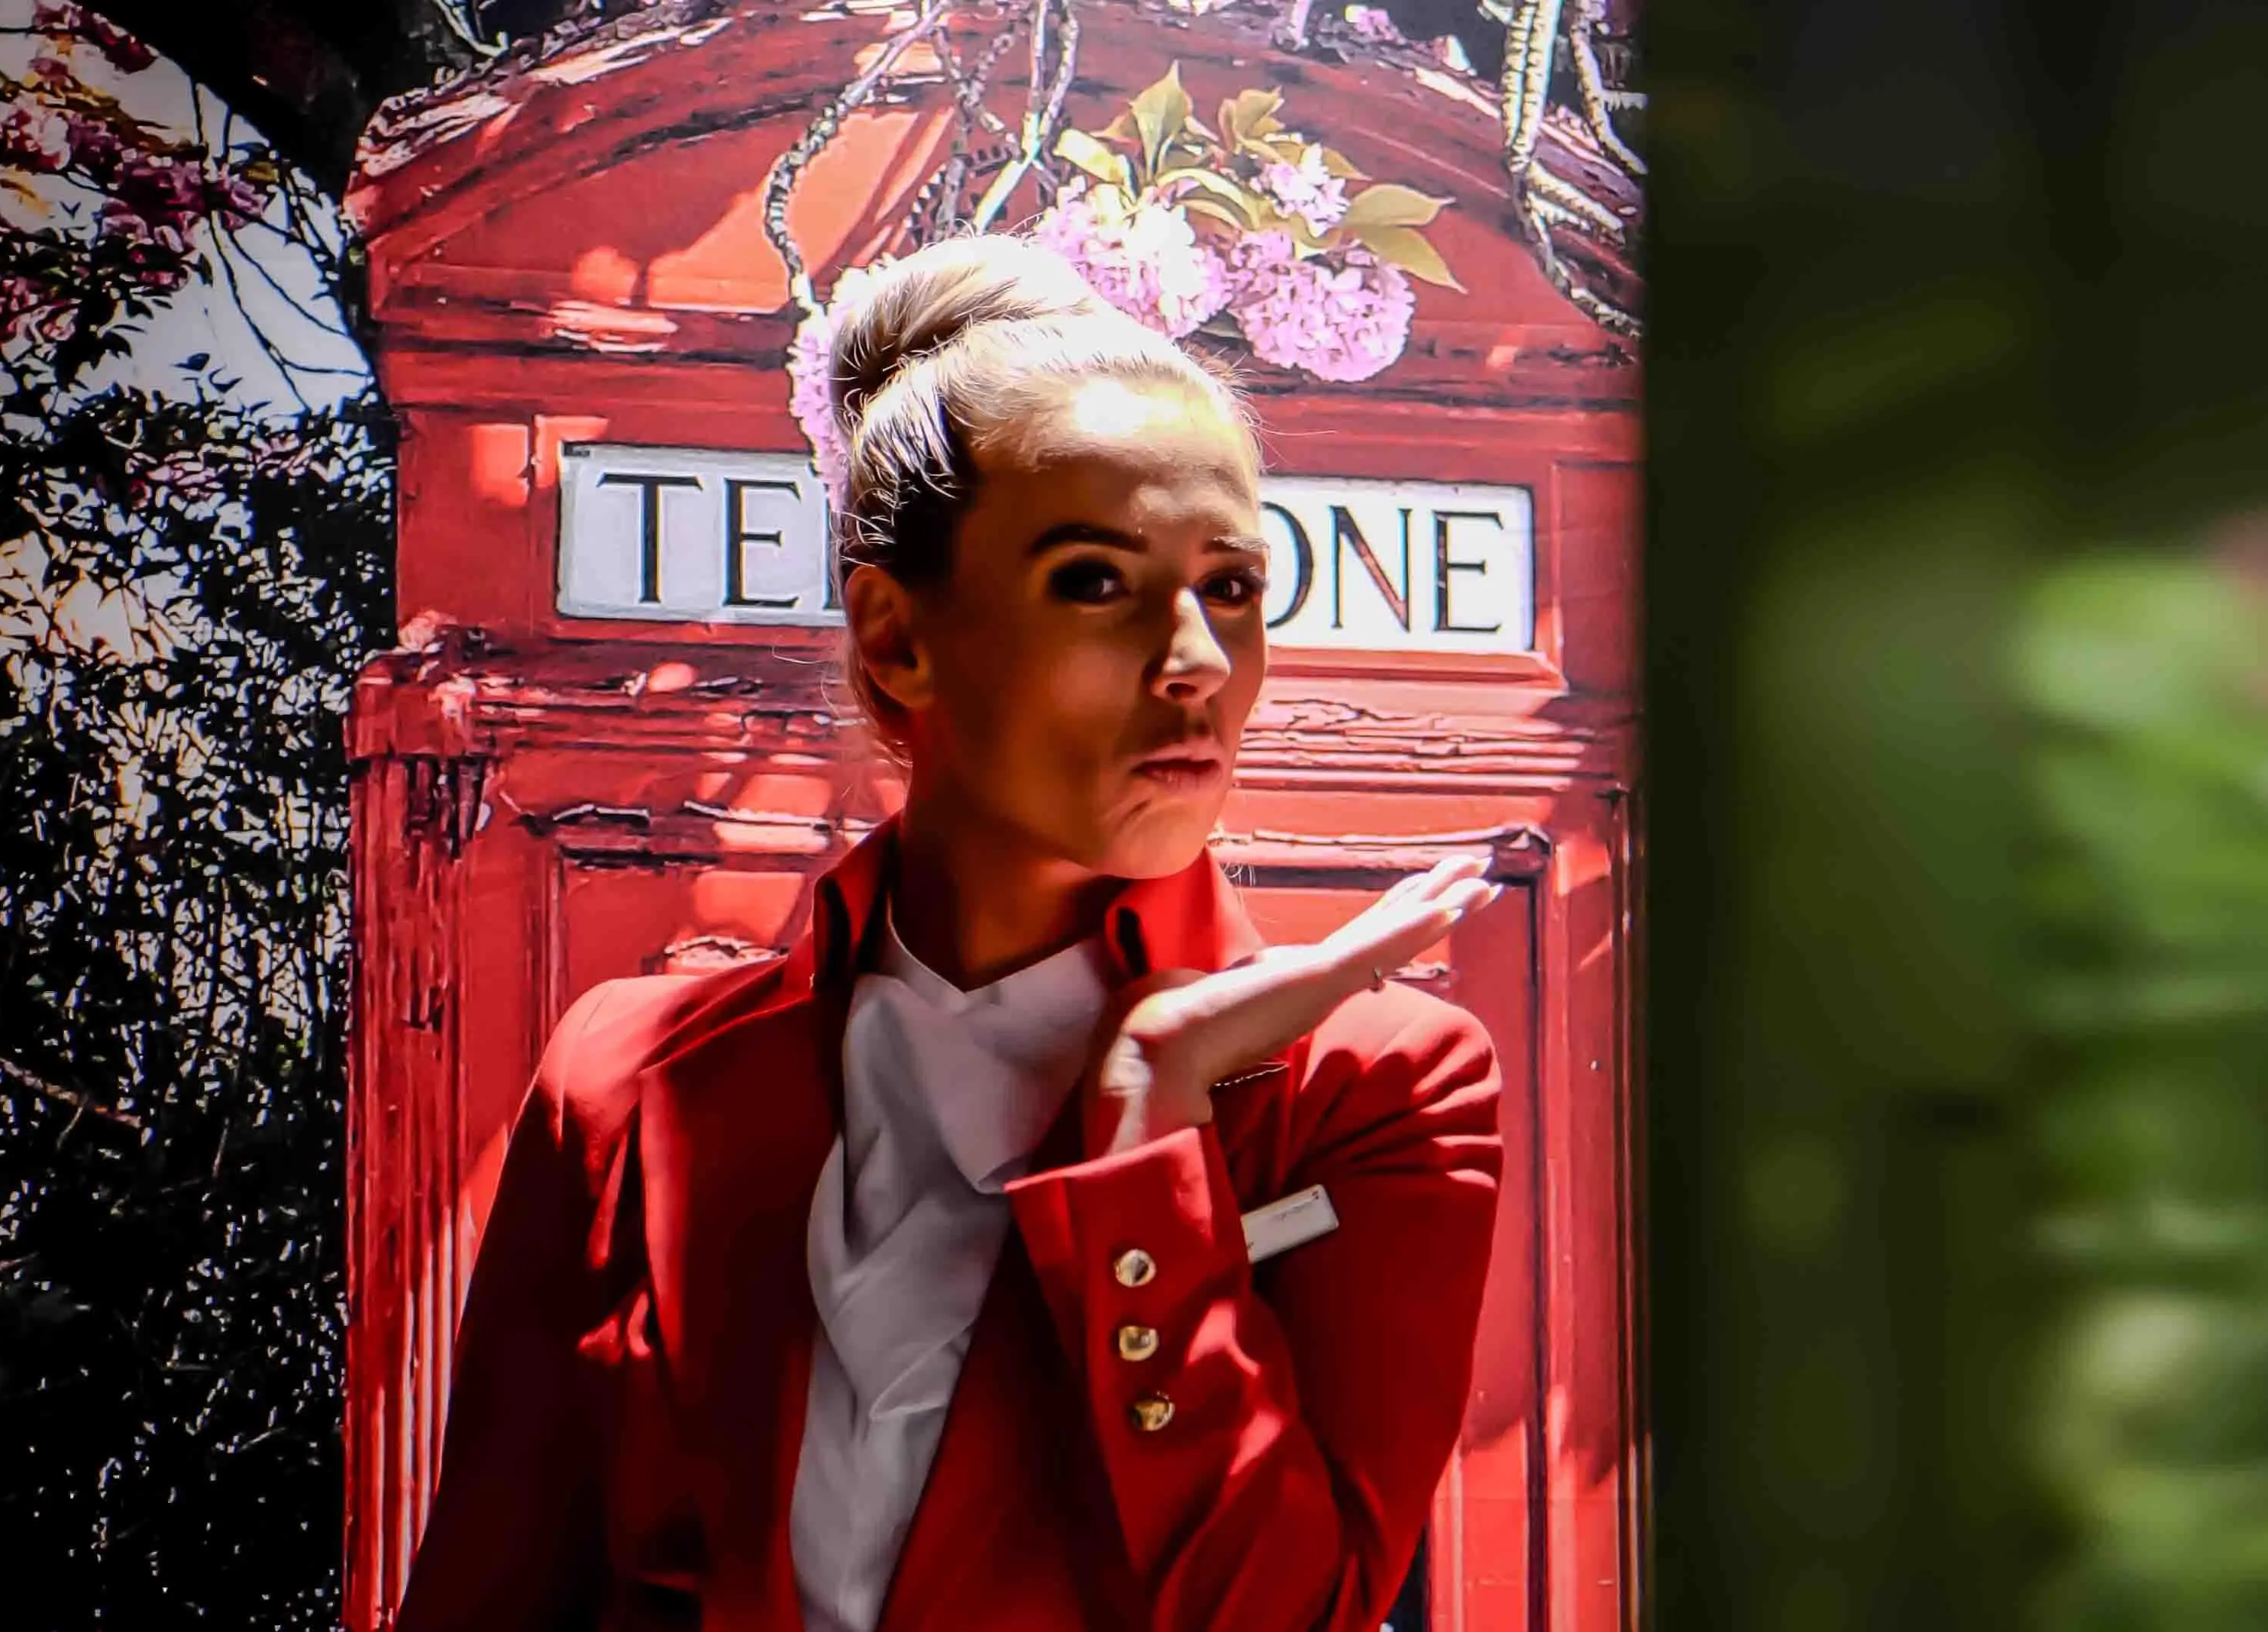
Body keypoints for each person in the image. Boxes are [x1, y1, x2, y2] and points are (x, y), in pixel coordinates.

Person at [394, 233, 1507, 1632]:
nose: (1198, 662)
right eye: (1097, 582)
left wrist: (1150, 1116)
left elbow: (1289, 1615)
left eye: (1231, 585)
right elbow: (487, 1597)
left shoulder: (1373, 1083)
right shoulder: (628, 1079)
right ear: (896, 641)